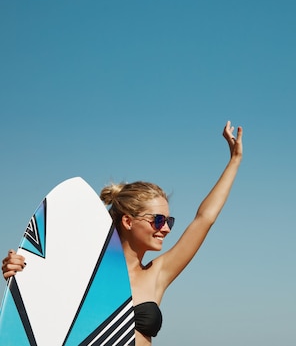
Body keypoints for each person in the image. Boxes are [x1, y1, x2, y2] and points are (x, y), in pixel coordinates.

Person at [2, 121, 243, 345]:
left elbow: (204, 220)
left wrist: (234, 161)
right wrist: (21, 270)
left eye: (169, 220)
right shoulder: (81, 271)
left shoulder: (157, 274)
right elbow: (38, 311)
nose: (166, 228)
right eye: (158, 220)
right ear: (128, 221)